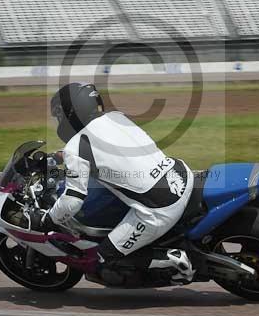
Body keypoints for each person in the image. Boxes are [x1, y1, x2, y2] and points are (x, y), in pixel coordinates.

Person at [41, 82, 195, 285]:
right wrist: (58, 159)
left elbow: (72, 202)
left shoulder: (76, 147)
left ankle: (172, 260)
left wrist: (48, 220)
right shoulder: (116, 117)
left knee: (104, 258)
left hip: (160, 209)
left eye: (59, 116)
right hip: (180, 175)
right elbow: (104, 152)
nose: (59, 121)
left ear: (71, 114)